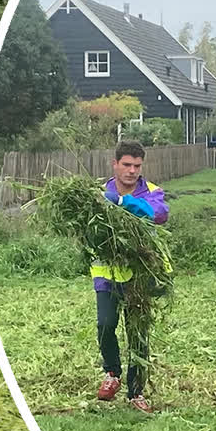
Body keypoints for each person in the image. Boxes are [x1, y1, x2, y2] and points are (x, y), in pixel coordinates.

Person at [92, 140, 170, 413]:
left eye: (137, 165)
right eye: (126, 164)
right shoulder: (97, 193)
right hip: (107, 273)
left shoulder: (152, 192)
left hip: (140, 275)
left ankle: (136, 393)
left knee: (138, 334)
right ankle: (112, 374)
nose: (132, 170)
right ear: (115, 164)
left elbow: (157, 215)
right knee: (105, 324)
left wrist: (124, 202)